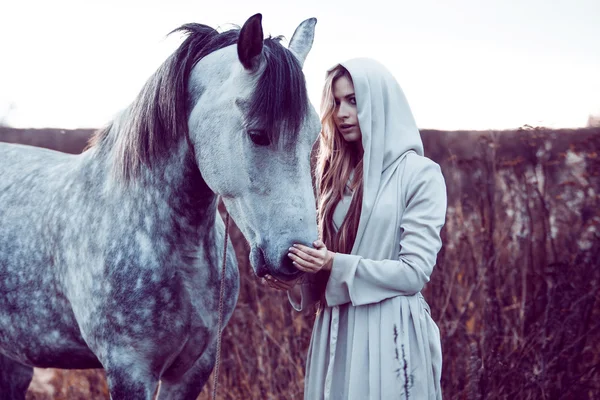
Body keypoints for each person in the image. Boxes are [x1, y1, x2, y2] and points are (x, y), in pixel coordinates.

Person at [264, 58, 447, 400]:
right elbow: (324, 276)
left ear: (380, 102)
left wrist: (333, 263)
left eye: (353, 100)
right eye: (335, 102)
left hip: (391, 331)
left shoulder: (419, 174)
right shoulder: (331, 177)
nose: (342, 113)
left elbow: (414, 273)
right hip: (336, 331)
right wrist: (297, 280)